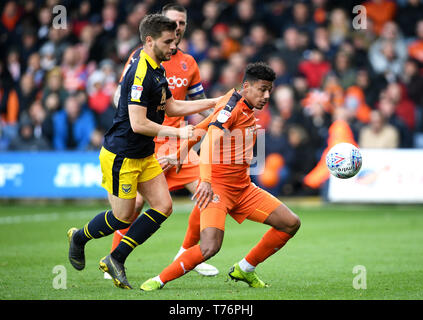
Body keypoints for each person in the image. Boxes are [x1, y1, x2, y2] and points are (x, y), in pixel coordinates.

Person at [66, 14, 218, 289]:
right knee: (123, 215)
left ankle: (116, 258)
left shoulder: (158, 67)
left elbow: (172, 108)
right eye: (168, 41)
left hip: (143, 153)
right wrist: (178, 133)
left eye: (175, 40)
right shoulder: (140, 72)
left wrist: (216, 101)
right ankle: (80, 237)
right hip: (122, 155)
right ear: (149, 40)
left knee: (163, 206)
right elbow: (138, 123)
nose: (174, 46)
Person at [140, 62, 301, 291]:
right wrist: (205, 181)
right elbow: (208, 143)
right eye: (262, 89)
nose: (266, 96)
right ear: (246, 86)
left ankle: (244, 269)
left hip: (244, 189)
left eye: (269, 91)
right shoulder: (231, 107)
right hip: (217, 189)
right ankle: (159, 280)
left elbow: (202, 126)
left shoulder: (241, 105)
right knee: (210, 247)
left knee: (291, 223)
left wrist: (180, 152)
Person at [106, 4, 219, 279]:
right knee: (133, 207)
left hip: (178, 142)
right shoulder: (140, 58)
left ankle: (187, 253)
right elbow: (122, 96)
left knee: (209, 193)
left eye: (182, 22)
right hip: (148, 141)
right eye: (173, 22)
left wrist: (221, 118)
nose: (178, 27)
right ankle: (114, 257)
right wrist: (127, 115)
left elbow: (192, 102)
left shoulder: (188, 62)